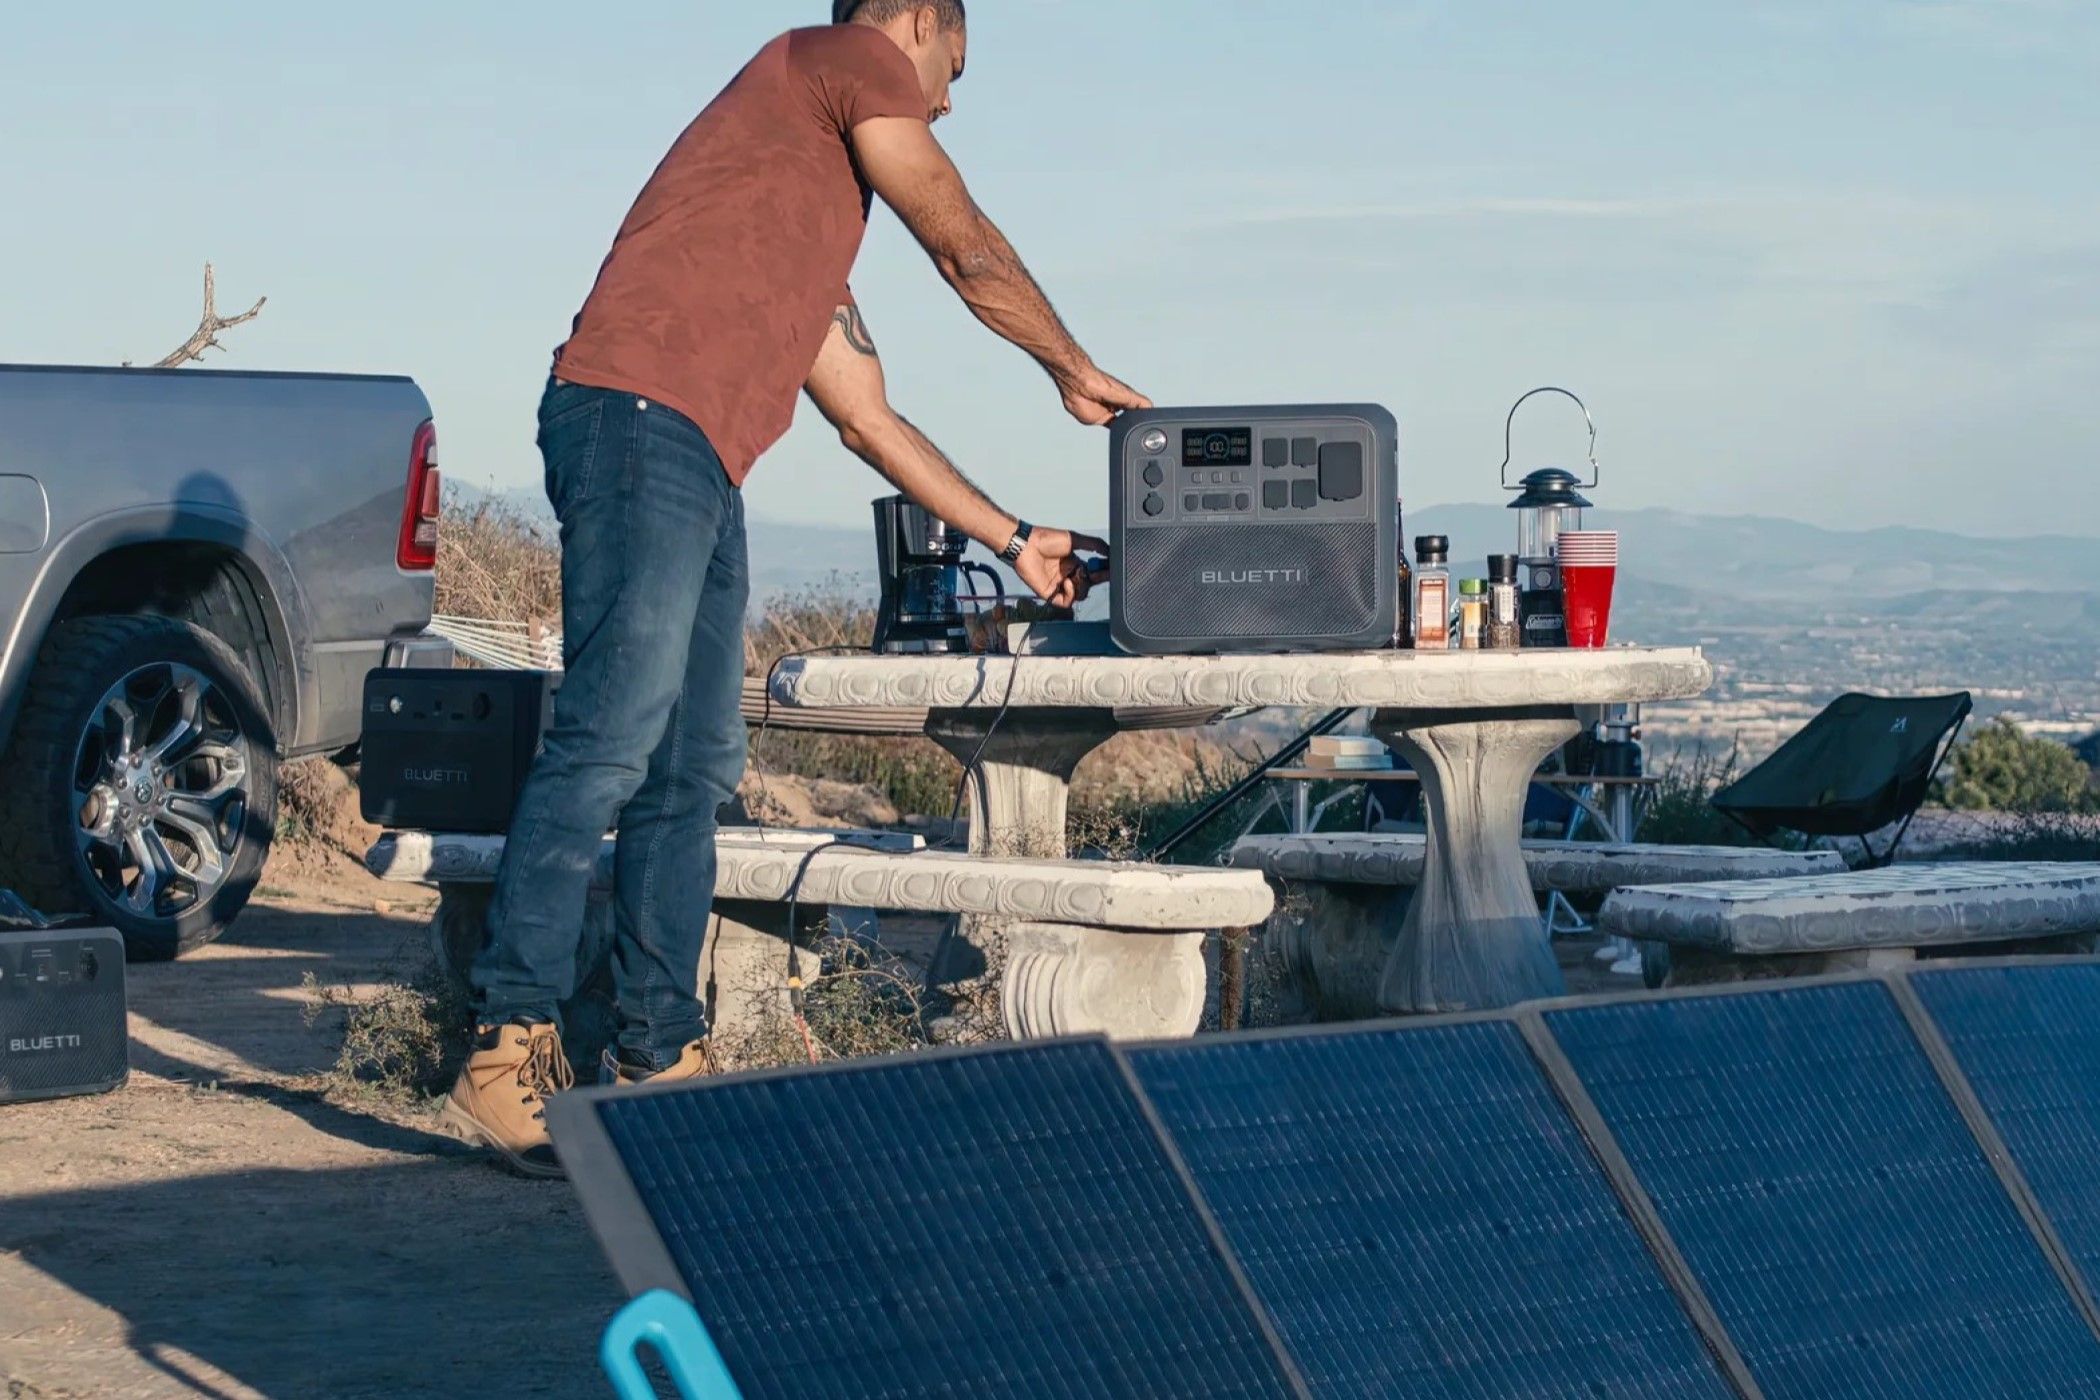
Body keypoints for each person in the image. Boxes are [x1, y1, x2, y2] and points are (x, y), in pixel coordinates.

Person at [442, 0, 1150, 1176]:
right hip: (635, 420)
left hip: (698, 453)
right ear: (914, 20)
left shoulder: (789, 200)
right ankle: (504, 1040)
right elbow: (965, 245)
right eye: (951, 68)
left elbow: (869, 421)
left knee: (692, 764)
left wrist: (1014, 535)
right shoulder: (837, 59)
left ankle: (655, 1053)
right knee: (612, 737)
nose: (947, 100)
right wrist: (1070, 367)